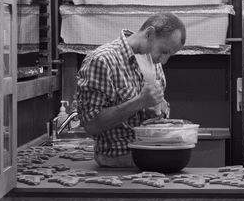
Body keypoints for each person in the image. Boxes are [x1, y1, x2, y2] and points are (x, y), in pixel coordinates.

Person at [76, 12, 186, 167]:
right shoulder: (102, 60)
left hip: (154, 160)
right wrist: (139, 102)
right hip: (116, 166)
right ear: (149, 33)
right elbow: (91, 125)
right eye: (164, 51)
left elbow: (155, 112)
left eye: (169, 55)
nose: (164, 60)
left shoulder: (154, 63)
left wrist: (157, 111)